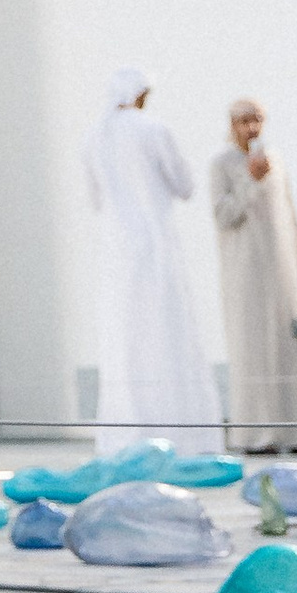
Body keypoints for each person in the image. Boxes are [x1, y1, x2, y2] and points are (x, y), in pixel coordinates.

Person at [82, 74, 216, 452]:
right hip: (155, 248)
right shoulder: (153, 130)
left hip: (116, 255)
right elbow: (185, 185)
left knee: (124, 343)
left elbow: (95, 199)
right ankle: (182, 437)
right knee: (168, 336)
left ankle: (125, 438)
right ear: (140, 94)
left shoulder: (92, 138)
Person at [209, 100, 297, 450]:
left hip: (281, 270)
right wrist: (251, 181)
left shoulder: (274, 160)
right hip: (245, 272)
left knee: (286, 347)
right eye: (244, 121)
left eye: (257, 120)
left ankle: (295, 432)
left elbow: (290, 216)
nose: (251, 128)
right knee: (252, 347)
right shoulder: (221, 164)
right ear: (232, 125)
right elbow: (223, 216)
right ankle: (256, 434)